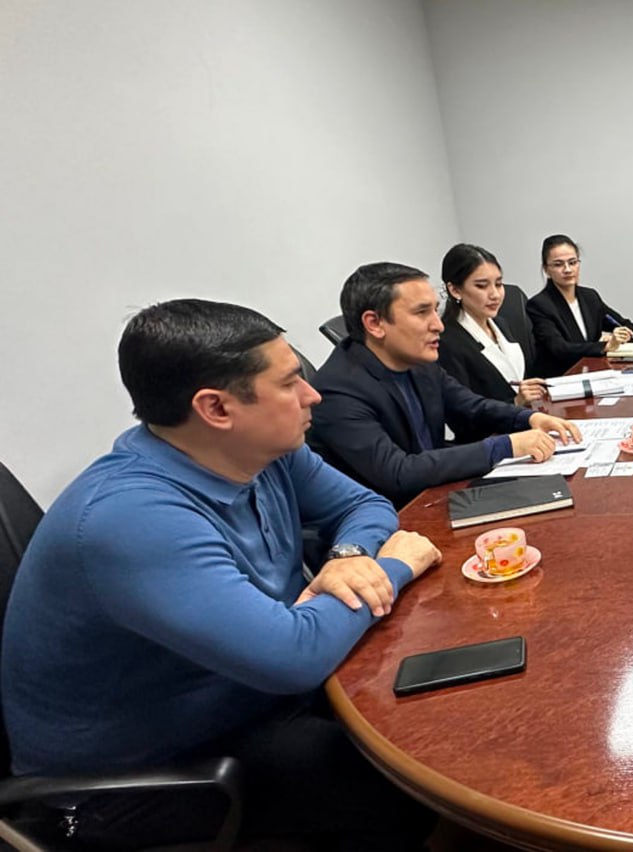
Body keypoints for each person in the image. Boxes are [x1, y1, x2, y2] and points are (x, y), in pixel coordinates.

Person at [1, 299, 441, 850]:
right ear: (216, 408)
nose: (313, 395)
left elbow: (365, 506)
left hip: (248, 699)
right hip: (143, 781)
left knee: (430, 709)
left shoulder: (265, 449)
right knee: (406, 785)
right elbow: (293, 657)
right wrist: (394, 565)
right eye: (290, 383)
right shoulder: (133, 517)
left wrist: (350, 556)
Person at [308, 262, 582, 506]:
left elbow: (471, 406)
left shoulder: (418, 360)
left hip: (438, 493)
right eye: (422, 312)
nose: (438, 325)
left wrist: (529, 418)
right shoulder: (337, 391)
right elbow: (398, 473)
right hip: (397, 518)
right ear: (374, 323)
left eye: (435, 310)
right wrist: (505, 446)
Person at [438, 243, 548, 416]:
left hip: (526, 419)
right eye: (482, 286)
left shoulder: (501, 324)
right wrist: (515, 402)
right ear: (455, 290)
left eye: (498, 284)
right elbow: (461, 413)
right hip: (493, 430)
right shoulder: (447, 341)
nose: (495, 295)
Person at [526, 234, 633, 376]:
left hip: (592, 373)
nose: (568, 269)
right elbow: (560, 349)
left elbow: (627, 325)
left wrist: (623, 335)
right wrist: (606, 346)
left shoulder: (589, 297)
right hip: (561, 377)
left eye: (572, 262)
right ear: (546, 269)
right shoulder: (539, 305)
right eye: (558, 264)